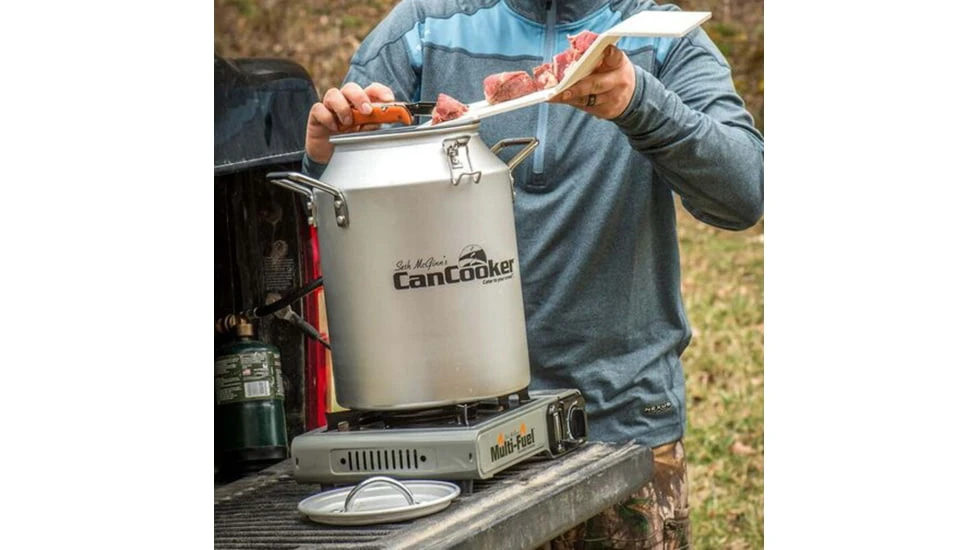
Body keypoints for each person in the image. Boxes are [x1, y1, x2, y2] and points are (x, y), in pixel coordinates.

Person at [302, 1, 763, 548]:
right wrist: (327, 156)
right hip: (445, 444)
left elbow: (744, 193)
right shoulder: (425, 29)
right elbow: (323, 211)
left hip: (620, 432)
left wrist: (636, 100)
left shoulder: (658, 36)